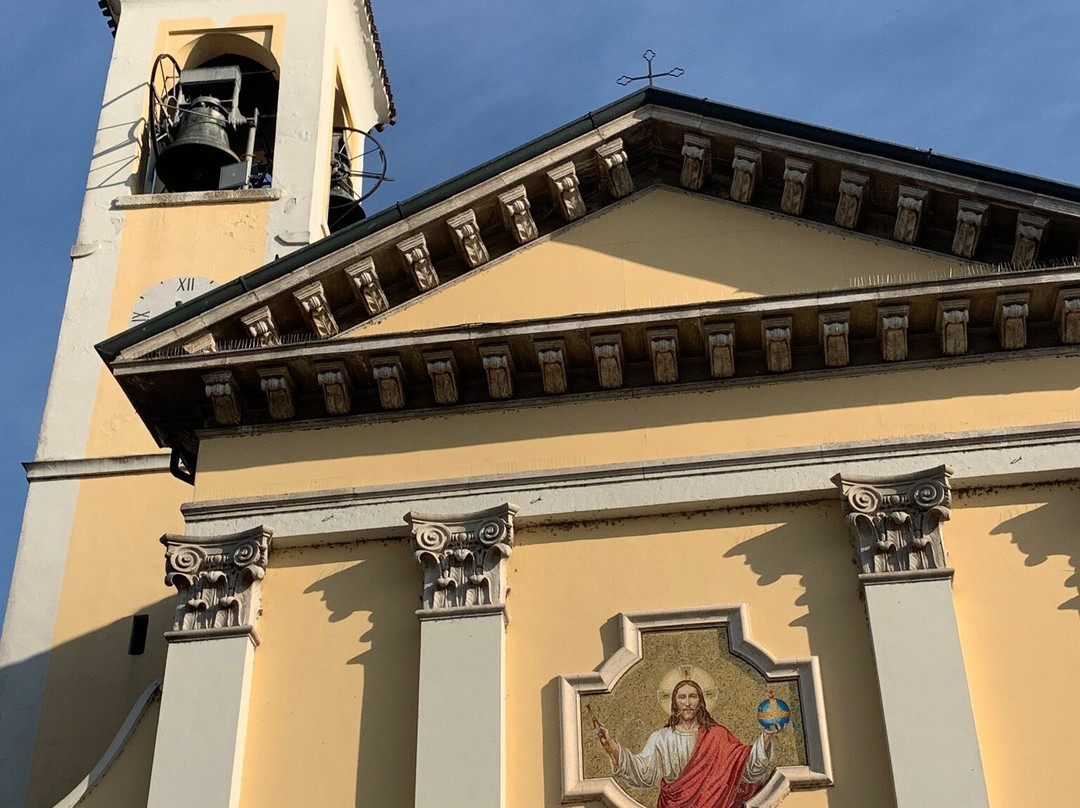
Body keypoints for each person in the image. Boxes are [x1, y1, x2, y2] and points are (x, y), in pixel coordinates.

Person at [595, 679, 779, 808]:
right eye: (682, 697)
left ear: (701, 701)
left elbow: (744, 766)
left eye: (693, 697)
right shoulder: (662, 737)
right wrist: (610, 743)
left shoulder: (717, 735)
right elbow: (642, 772)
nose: (688, 703)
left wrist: (766, 738)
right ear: (674, 702)